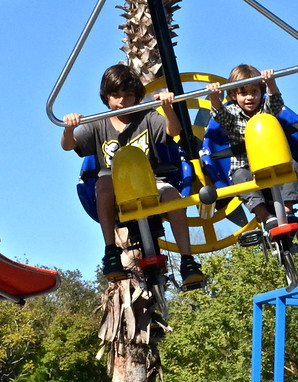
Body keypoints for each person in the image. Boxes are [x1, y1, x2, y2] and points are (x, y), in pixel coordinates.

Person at [61, 63, 204, 286]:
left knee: (173, 196)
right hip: (116, 187)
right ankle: (111, 251)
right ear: (106, 98)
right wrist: (69, 128)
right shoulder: (99, 124)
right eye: (116, 96)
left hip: (151, 181)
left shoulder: (146, 116)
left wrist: (167, 108)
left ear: (136, 96)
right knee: (103, 183)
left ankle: (187, 259)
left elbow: (172, 131)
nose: (122, 102)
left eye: (128, 95)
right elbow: (69, 146)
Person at [207, 64, 298, 231]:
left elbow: (275, 102)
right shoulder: (232, 114)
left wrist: (271, 83)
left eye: (254, 92)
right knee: (239, 177)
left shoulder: (265, 111)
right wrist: (215, 97)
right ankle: (265, 216)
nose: (250, 97)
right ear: (233, 95)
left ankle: (287, 210)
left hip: (273, 162)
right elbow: (219, 115)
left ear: (261, 92)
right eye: (243, 93)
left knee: (293, 167)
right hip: (246, 167)